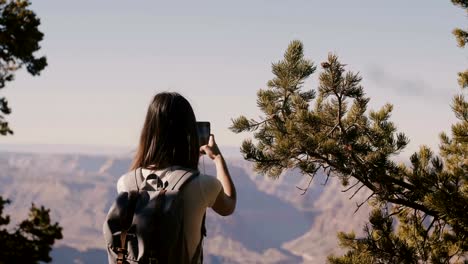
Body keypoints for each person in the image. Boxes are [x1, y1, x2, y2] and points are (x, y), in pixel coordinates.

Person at [115, 92, 236, 262]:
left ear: (148, 131)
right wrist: (217, 159)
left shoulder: (126, 183)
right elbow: (228, 205)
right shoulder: (203, 185)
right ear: (189, 132)